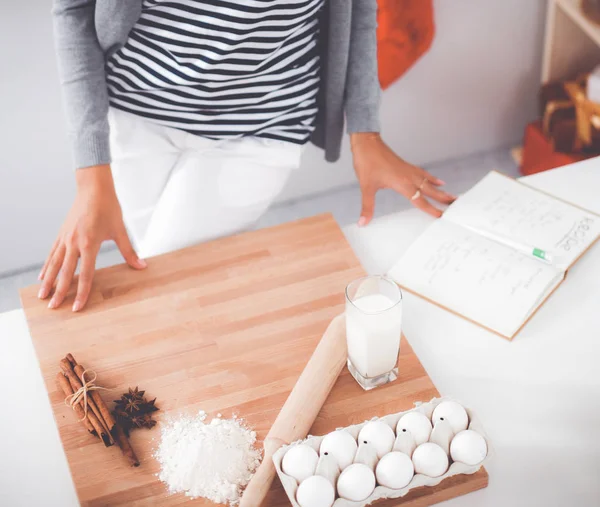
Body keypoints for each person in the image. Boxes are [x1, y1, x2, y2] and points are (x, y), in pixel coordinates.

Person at [40, 0, 455, 312]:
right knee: (160, 273)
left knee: (172, 288)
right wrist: (91, 176)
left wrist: (365, 130)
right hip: (135, 111)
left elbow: (359, 8)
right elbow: (74, 9)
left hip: (262, 124)